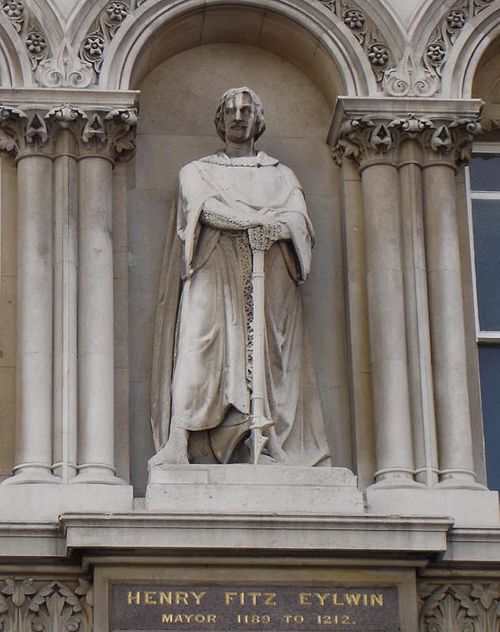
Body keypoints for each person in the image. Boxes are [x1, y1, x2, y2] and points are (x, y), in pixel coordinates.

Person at [150, 87, 331, 466]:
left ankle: (257, 440)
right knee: (198, 347)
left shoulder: (281, 174)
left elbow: (298, 220)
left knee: (264, 355)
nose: (237, 116)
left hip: (269, 273)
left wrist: (277, 230)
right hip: (214, 270)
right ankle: (178, 443)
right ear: (220, 120)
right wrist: (249, 222)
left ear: (257, 119)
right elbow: (205, 209)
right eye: (230, 110)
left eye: (246, 110)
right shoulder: (197, 170)